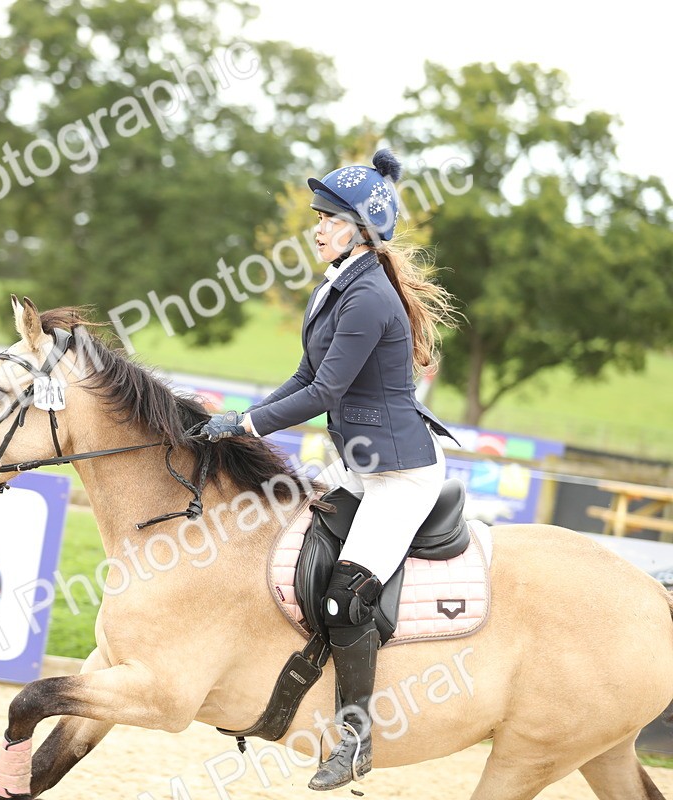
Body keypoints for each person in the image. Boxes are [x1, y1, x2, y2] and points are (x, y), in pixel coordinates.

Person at [203, 149, 459, 790]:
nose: (317, 227)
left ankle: (356, 739)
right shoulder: (338, 282)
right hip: (359, 464)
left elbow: (325, 392)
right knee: (291, 555)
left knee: (347, 593)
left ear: (364, 228)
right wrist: (242, 415)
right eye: (318, 217)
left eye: (331, 218)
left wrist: (250, 427)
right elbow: (302, 377)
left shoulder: (369, 294)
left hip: (399, 473)